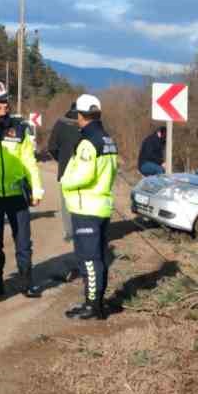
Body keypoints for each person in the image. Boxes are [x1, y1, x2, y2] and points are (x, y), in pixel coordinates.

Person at [0, 80, 44, 299]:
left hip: (17, 195)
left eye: (6, 99)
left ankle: (27, 282)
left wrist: (37, 189)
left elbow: (29, 161)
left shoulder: (19, 128)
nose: (4, 104)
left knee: (24, 242)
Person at [59, 93, 118, 321]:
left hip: (87, 208)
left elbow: (83, 175)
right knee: (99, 257)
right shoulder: (108, 140)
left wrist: (65, 181)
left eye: (78, 117)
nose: (77, 121)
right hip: (101, 206)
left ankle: (93, 306)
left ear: (82, 116)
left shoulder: (88, 142)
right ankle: (95, 302)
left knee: (89, 259)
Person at [47, 103, 80, 246]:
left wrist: (60, 158)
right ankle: (83, 231)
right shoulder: (88, 124)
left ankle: (70, 233)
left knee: (67, 203)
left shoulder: (60, 124)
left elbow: (52, 147)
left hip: (65, 170)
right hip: (86, 170)